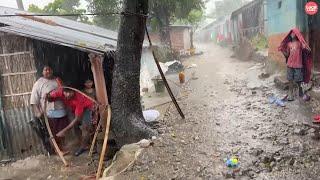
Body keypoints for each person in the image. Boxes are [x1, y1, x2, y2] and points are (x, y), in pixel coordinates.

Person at [30, 66, 69, 154]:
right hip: (48, 112)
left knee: (62, 131)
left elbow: (64, 91)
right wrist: (38, 113)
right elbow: (33, 99)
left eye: (49, 69)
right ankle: (57, 150)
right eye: (45, 70)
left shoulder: (57, 80)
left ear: (52, 71)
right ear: (42, 72)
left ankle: (61, 148)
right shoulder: (38, 83)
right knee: (52, 133)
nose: (48, 71)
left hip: (61, 109)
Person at [47, 86, 94, 156]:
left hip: (87, 108)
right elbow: (50, 97)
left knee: (85, 127)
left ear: (73, 92)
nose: (67, 94)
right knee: (74, 126)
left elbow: (77, 118)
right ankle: (80, 142)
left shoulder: (79, 98)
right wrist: (48, 97)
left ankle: (83, 147)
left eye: (70, 92)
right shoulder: (60, 92)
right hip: (73, 108)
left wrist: (64, 131)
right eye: (66, 92)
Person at [278, 28, 312, 101]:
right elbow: (287, 55)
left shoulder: (300, 43)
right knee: (290, 80)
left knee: (299, 80)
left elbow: (306, 49)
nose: (292, 34)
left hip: (298, 65)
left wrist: (307, 48)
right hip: (290, 64)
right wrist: (281, 50)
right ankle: (290, 94)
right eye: (291, 33)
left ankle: (300, 92)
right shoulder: (289, 44)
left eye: (294, 33)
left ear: (297, 35)